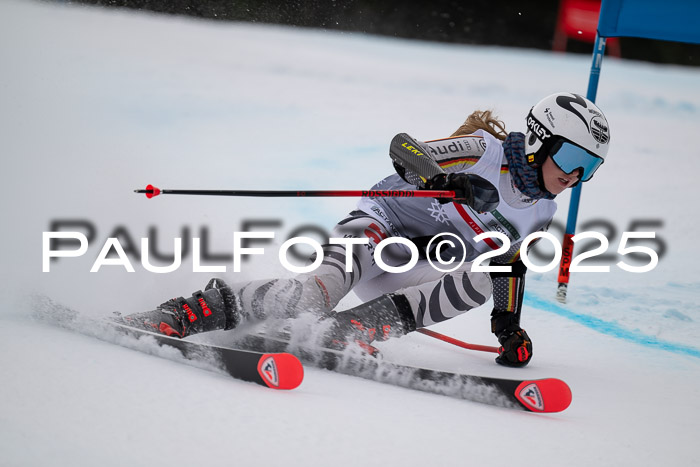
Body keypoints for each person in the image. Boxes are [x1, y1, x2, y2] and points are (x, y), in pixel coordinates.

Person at [122, 92, 610, 367]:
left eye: (589, 168)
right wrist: (444, 180)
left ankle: (350, 329)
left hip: (416, 266)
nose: (574, 176)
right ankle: (190, 311)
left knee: (484, 276)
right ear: (539, 142)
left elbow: (507, 267)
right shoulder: (483, 150)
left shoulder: (540, 213)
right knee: (312, 296)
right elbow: (404, 148)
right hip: (378, 228)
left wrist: (507, 328)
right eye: (571, 158)